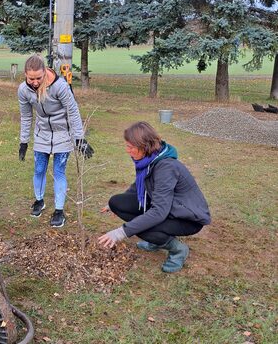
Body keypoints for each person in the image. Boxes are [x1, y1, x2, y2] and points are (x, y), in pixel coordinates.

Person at [98, 121, 211, 273]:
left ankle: (178, 250)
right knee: (117, 202)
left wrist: (120, 233)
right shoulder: (150, 159)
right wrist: (113, 206)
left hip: (187, 218)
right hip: (169, 207)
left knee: (142, 228)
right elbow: (141, 184)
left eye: (131, 147)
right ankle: (156, 241)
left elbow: (159, 211)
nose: (127, 150)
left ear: (144, 146)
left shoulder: (166, 167)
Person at [18, 54, 94, 228]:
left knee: (59, 171)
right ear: (25, 75)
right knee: (39, 169)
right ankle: (39, 201)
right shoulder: (23, 90)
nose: (35, 82)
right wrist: (24, 142)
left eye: (38, 78)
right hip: (42, 133)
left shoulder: (60, 86)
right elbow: (26, 116)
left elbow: (73, 112)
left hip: (62, 134)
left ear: (45, 72)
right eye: (31, 79)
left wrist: (79, 139)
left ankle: (59, 211)